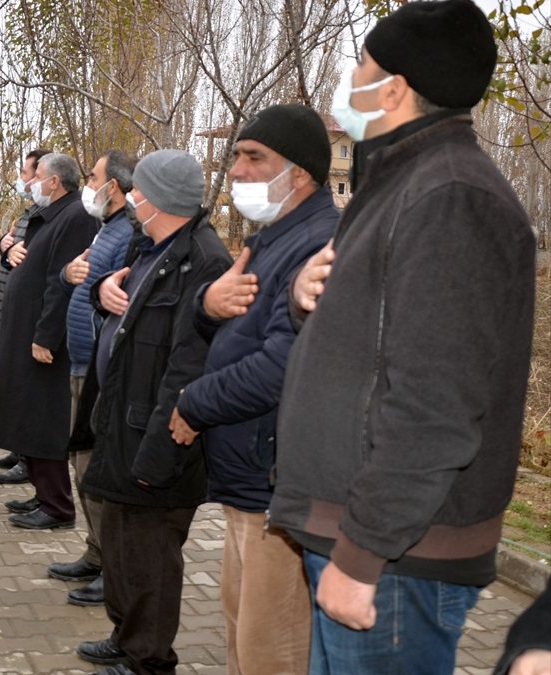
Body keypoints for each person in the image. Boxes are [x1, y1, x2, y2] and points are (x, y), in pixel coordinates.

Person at [270, 1, 536, 672]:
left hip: (395, 558)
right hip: (374, 544)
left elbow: (436, 404)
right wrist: (308, 302)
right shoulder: (401, 182)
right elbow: (377, 343)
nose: (349, 76)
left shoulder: (450, 196)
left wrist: (362, 554)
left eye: (361, 62)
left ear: (393, 88)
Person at [168, 104, 339, 675]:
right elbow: (232, 310)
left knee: (274, 649)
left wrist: (195, 403)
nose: (236, 170)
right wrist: (205, 306)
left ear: (299, 174)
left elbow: (282, 365)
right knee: (243, 633)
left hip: (279, 486)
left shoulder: (318, 243)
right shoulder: (273, 237)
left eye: (253, 157)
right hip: (249, 480)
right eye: (236, 155)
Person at [74, 150, 232, 674]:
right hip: (123, 420)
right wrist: (101, 291)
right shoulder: (151, 247)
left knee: (151, 558)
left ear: (158, 197)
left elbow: (191, 364)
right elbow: (123, 303)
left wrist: (161, 451)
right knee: (121, 545)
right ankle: (125, 635)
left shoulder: (204, 260)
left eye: (137, 189)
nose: (129, 197)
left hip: (158, 435)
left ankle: (148, 659)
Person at [0, 152, 97, 531]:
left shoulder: (76, 215)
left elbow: (61, 282)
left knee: (44, 418)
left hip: (44, 336)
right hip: (26, 329)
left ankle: (58, 506)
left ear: (54, 182)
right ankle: (42, 493)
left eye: (37, 178)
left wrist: (46, 334)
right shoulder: (55, 212)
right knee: (28, 413)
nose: (30, 184)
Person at [44, 150, 137, 608]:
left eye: (94, 177)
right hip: (81, 363)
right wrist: (68, 272)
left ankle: (113, 568)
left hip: (101, 372)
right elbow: (75, 282)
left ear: (113, 187)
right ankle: (95, 553)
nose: (89, 185)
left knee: (95, 471)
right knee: (82, 467)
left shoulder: (128, 235)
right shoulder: (105, 230)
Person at [0, 147, 50, 483]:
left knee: (26, 387)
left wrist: (11, 248)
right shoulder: (30, 210)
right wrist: (3, 246)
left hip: (29, 315)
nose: (22, 179)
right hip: (9, 308)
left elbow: (33, 256)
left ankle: (28, 459)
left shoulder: (52, 214)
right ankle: (16, 448)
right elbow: (12, 250)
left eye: (26, 173)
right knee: (11, 381)